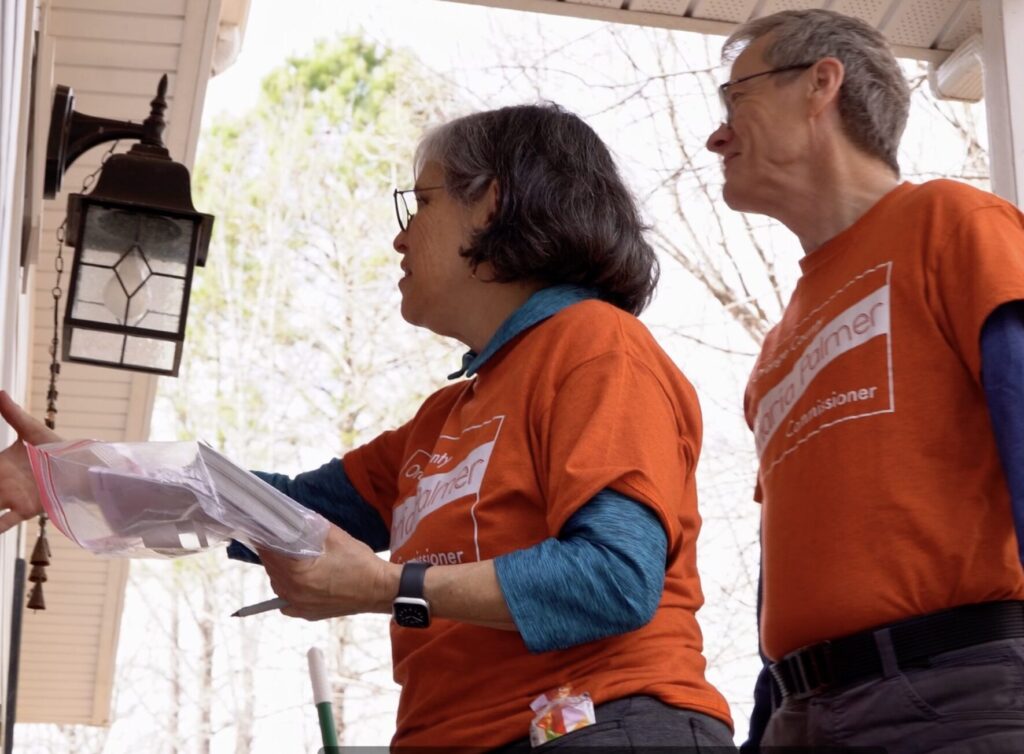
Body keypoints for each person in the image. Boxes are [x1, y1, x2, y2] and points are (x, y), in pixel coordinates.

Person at [1, 103, 735, 751]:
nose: (399, 239)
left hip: (600, 728)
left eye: (419, 202)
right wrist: (78, 472)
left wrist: (391, 585)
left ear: (491, 205)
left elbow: (614, 578)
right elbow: (278, 512)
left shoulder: (596, 346)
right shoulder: (442, 422)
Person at [704, 9, 1024, 753]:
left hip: (959, 694)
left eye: (735, 101)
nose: (718, 136)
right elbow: (790, 570)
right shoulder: (775, 351)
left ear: (821, 84)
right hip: (800, 715)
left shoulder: (954, 222)